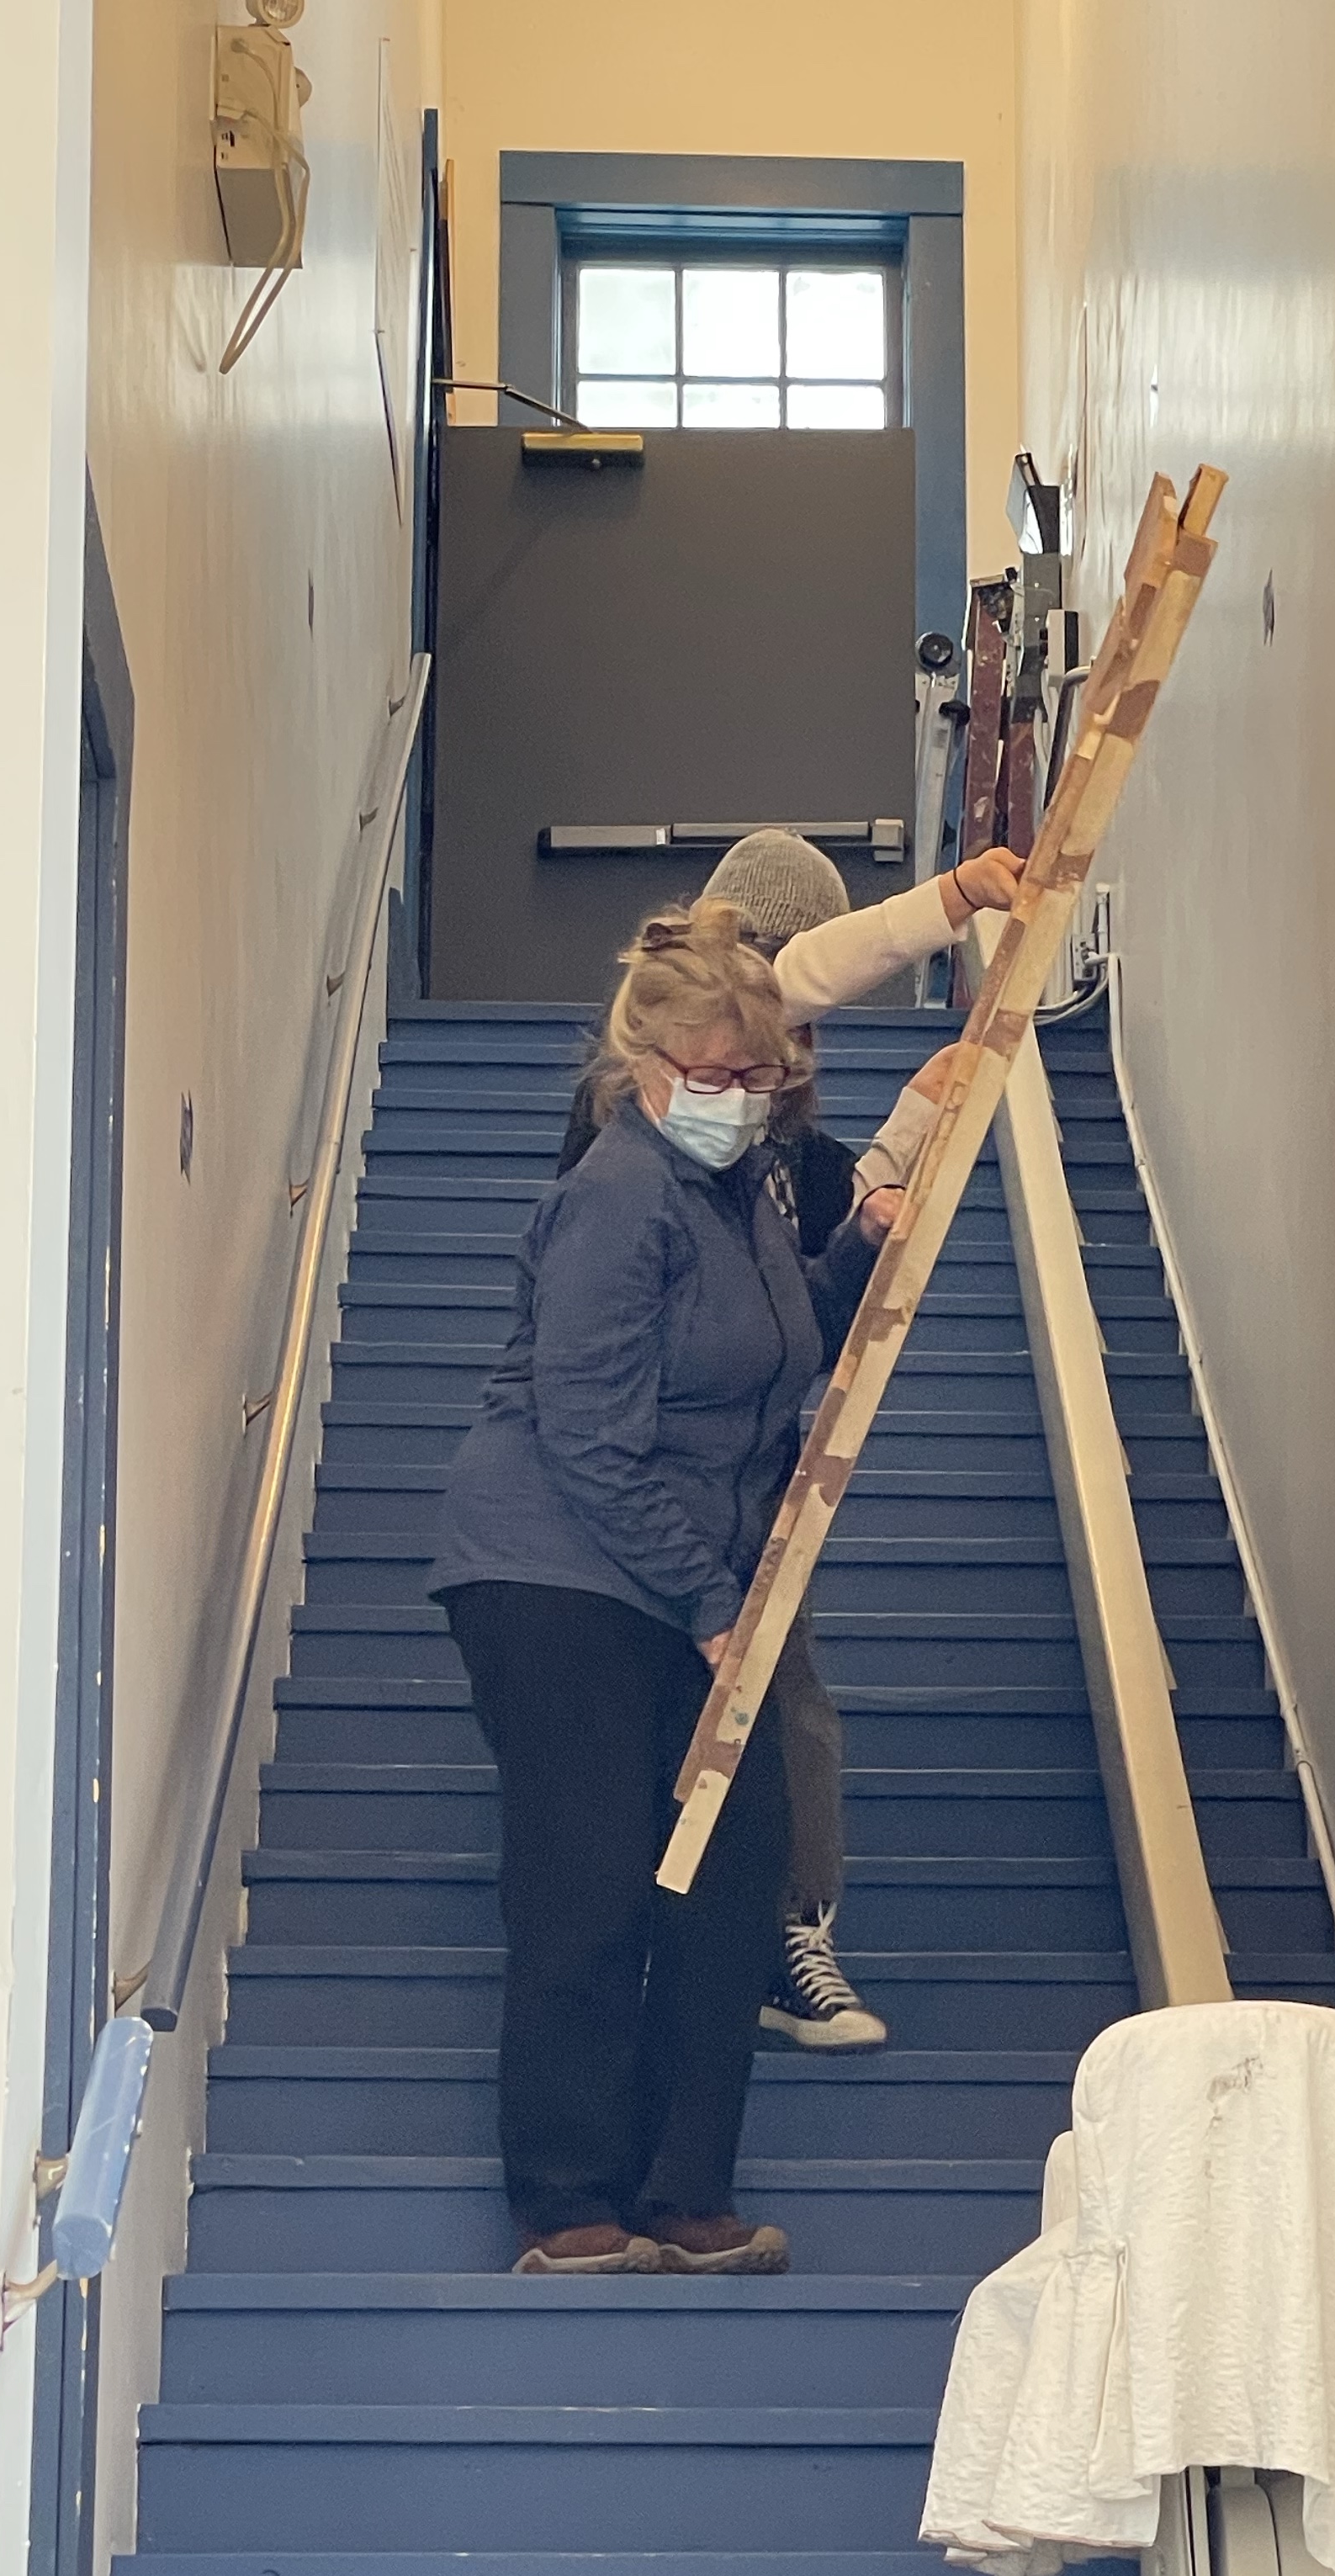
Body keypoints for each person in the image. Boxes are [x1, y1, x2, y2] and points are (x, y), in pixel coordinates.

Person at [426, 902, 896, 2276]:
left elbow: (773, 1348)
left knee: (733, 1873)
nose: (738, 1099)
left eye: (759, 1079)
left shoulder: (741, 1196)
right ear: (642, 1069)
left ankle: (685, 2192)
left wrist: (858, 1249)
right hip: (556, 1574)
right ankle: (569, 2203)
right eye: (713, 1074)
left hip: (686, 1571)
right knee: (586, 1882)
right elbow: (588, 1434)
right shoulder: (617, 1196)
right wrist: (713, 1606)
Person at [548, 831, 1021, 2053]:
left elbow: (820, 1271)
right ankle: (645, 1943)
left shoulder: (786, 1146)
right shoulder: (627, 1106)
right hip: (623, 1482)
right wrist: (945, 901)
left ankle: (784, 1935)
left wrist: (906, 1142)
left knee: (785, 1694)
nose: (769, 1036)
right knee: (634, 1707)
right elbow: (791, 976)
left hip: (743, 1481)